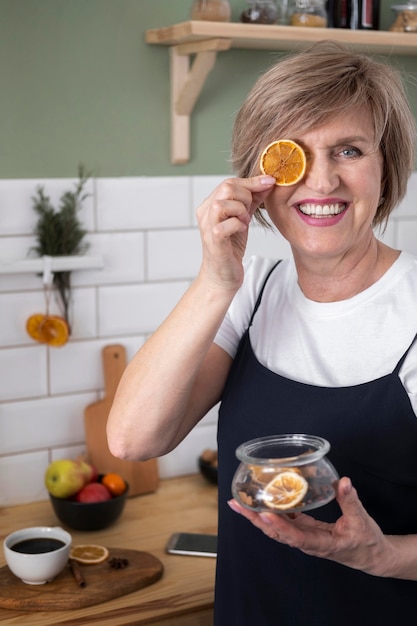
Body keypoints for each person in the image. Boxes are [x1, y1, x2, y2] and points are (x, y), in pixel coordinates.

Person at [107, 41, 417, 625]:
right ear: (259, 178)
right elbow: (132, 440)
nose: (321, 180)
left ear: (387, 165)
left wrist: (383, 554)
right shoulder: (252, 290)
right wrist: (214, 279)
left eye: (348, 150)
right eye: (291, 156)